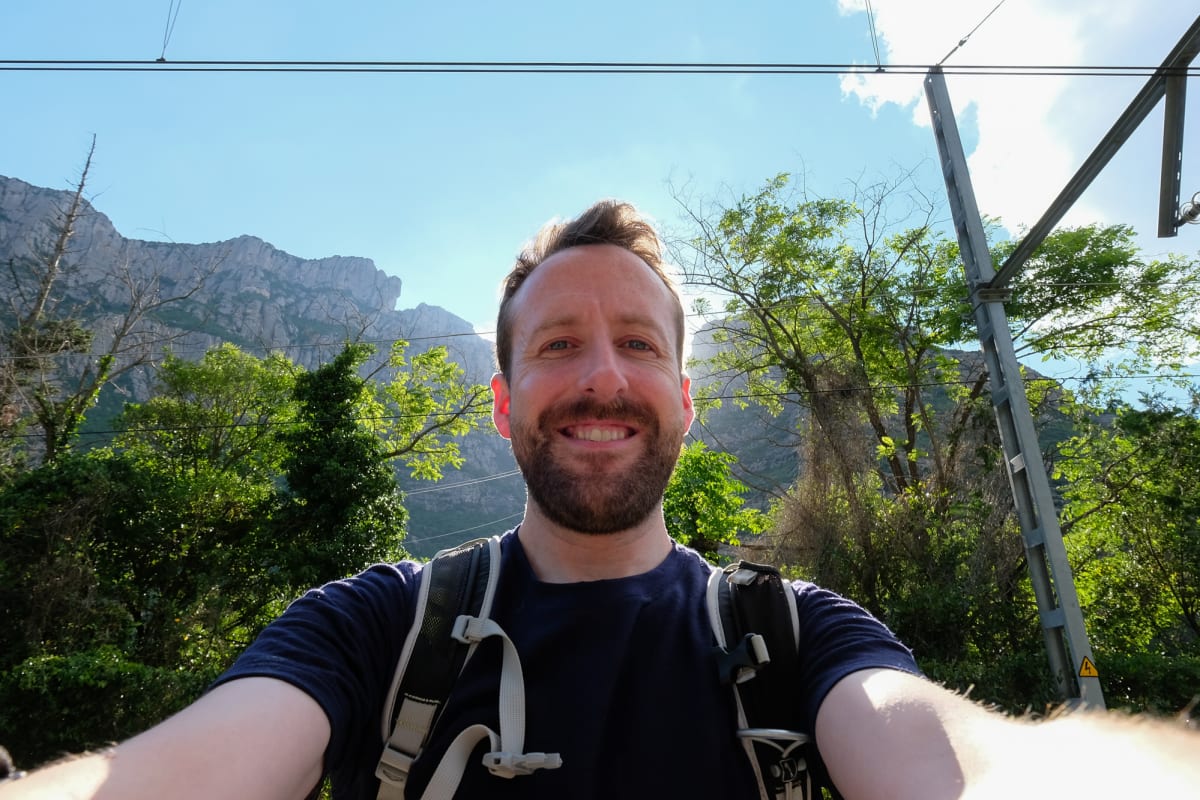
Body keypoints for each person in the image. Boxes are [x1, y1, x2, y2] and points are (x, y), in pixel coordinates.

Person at [2, 200, 1198, 800]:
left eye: (635, 342)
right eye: (559, 344)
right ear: (505, 400)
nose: (602, 376)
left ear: (683, 394)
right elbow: (151, 780)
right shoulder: (377, 626)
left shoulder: (794, 634)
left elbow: (970, 764)